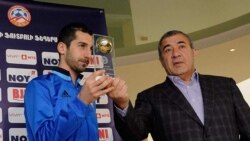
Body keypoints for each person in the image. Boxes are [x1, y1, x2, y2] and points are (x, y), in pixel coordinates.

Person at [108, 30, 250, 141]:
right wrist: (122, 104)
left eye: (181, 46)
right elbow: (135, 135)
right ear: (161, 60)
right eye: (168, 50)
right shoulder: (150, 97)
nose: (176, 54)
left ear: (194, 52)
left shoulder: (225, 86)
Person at [24, 22, 125, 141]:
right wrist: (81, 101)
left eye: (91, 49)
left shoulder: (84, 89)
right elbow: (44, 138)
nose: (88, 54)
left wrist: (121, 103)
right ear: (62, 48)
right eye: (82, 46)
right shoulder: (39, 86)